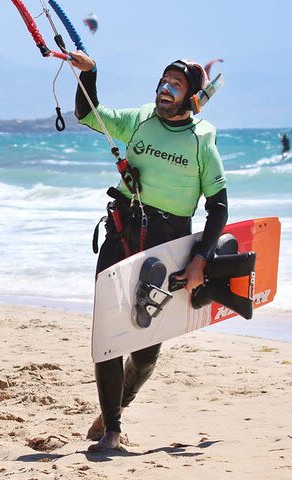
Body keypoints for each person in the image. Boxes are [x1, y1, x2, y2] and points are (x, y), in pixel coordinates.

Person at [70, 53, 229, 451]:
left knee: (144, 351)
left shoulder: (201, 139)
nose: (165, 89)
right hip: (123, 232)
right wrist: (90, 74)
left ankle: (117, 405)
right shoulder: (139, 118)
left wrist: (200, 259)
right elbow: (88, 114)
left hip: (169, 245)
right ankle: (112, 429)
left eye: (176, 84)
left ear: (192, 95)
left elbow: (219, 207)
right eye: (163, 81)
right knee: (108, 332)